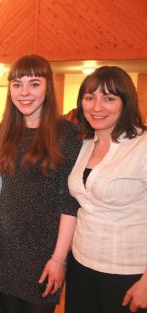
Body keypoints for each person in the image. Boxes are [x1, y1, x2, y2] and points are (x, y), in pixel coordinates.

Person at [0, 54, 81, 313]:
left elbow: (70, 204)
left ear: (48, 87)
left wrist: (59, 259)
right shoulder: (6, 133)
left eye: (34, 83)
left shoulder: (67, 134)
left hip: (45, 253)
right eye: (17, 84)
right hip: (7, 250)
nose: (25, 92)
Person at [66, 66, 147, 313]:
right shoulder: (84, 144)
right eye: (90, 98)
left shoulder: (141, 145)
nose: (97, 107)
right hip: (81, 265)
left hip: (128, 271)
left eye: (109, 99)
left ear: (126, 102)